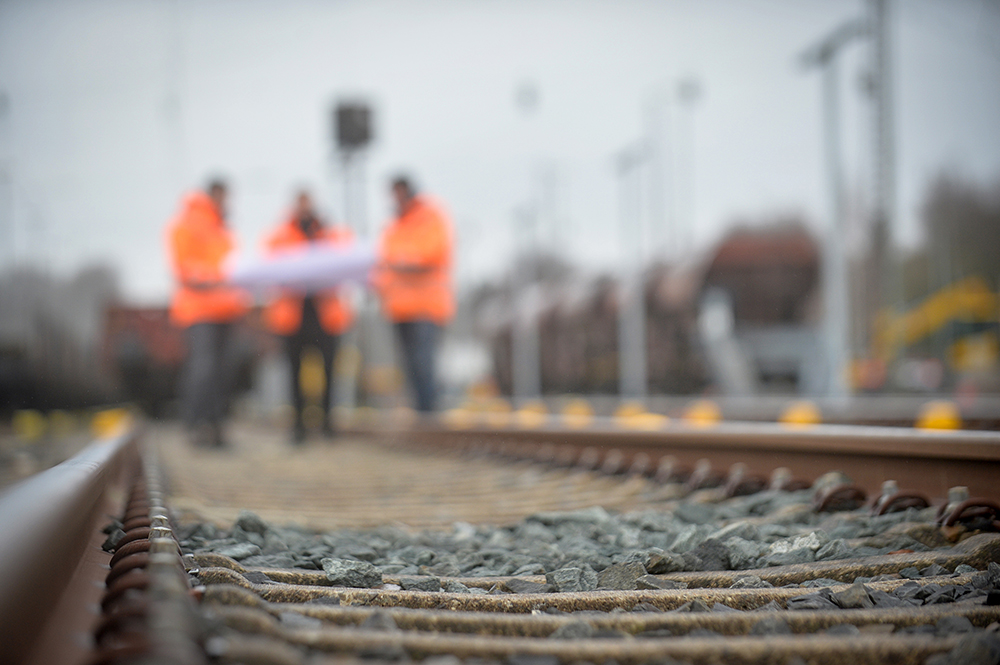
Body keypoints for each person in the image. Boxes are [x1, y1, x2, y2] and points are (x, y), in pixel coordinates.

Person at [262, 191, 354, 442]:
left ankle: (328, 424)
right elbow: (270, 266)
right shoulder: (280, 235)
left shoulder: (329, 234)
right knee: (294, 373)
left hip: (325, 316)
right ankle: (298, 427)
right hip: (293, 317)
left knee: (329, 372)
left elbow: (344, 262)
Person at [165, 179, 249, 447]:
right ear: (213, 196)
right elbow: (185, 269)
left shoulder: (223, 230)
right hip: (199, 311)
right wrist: (216, 279)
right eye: (223, 197)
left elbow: (233, 267)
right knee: (203, 370)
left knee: (223, 372)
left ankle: (216, 427)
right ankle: (196, 425)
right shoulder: (186, 225)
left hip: (226, 310)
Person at [373, 175, 455, 413]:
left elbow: (430, 253)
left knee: (423, 361)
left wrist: (401, 260)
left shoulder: (430, 217)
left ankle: (430, 412)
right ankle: (421, 412)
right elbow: (383, 261)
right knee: (410, 364)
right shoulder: (393, 225)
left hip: (426, 306)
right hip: (399, 308)